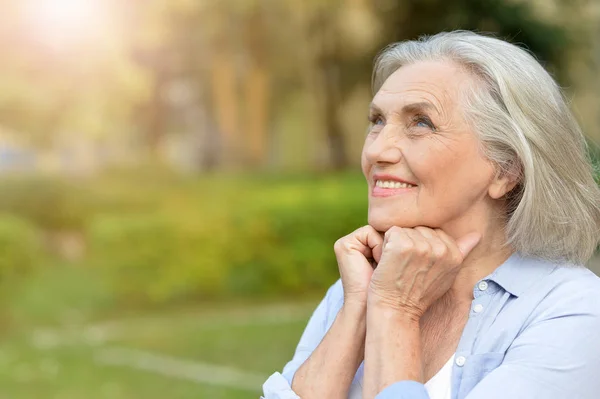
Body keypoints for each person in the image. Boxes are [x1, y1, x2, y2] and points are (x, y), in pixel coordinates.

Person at [261, 31, 600, 399]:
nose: (378, 150)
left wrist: (395, 311)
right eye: (377, 120)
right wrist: (358, 307)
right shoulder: (356, 288)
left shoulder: (574, 312)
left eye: (420, 123)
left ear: (506, 170)